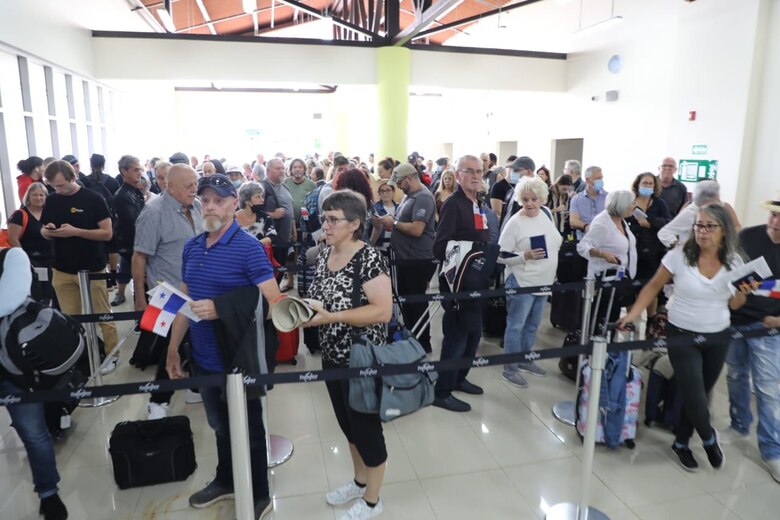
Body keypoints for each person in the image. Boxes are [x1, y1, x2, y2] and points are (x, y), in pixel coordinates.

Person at [165, 173, 281, 520]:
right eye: (206, 200)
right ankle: (227, 479)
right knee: (219, 425)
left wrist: (223, 308)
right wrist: (173, 349)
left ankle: (259, 493)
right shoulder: (192, 247)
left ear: (234, 204)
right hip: (203, 356)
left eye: (219, 200)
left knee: (250, 429)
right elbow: (185, 301)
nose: (211, 206)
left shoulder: (248, 248)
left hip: (238, 358)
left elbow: (273, 303)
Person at [619, 203, 749, 473]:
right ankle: (709, 438)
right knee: (693, 392)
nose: (702, 232)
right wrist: (633, 313)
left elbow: (735, 304)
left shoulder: (735, 261)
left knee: (699, 394)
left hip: (718, 334)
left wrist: (744, 290)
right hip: (682, 333)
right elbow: (653, 286)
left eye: (710, 226)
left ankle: (681, 442)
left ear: (724, 231)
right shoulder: (679, 255)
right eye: (698, 225)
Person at [304, 189, 392, 520]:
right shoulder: (325, 254)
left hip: (362, 359)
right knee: (347, 425)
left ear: (354, 224)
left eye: (332, 219)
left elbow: (382, 311)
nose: (325, 225)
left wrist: (333, 317)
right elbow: (319, 297)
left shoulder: (369, 258)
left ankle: (372, 500)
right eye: (323, 218)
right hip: (332, 355)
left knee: (367, 430)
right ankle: (359, 481)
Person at [0, 247, 68, 520]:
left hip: (14, 368)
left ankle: (48, 493)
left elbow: (8, 300)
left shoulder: (12, 256)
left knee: (33, 432)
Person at [133, 164, 203, 419]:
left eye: (195, 183)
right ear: (170, 187)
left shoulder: (197, 206)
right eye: (188, 185)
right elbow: (139, 256)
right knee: (169, 346)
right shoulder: (152, 213)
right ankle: (158, 402)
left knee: (195, 341)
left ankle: (194, 387)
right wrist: (139, 298)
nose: (194, 189)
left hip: (196, 290)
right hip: (165, 294)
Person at [40, 160, 119, 373]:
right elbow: (44, 230)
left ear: (73, 177)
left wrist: (76, 231)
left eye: (61, 185)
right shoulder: (52, 200)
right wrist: (47, 231)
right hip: (61, 268)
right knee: (71, 319)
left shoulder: (94, 199)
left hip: (91, 268)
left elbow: (107, 233)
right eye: (53, 186)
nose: (57, 189)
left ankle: (112, 354)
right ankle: (80, 357)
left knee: (102, 314)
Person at [725, 192, 780, 483]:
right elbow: (731, 274)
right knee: (735, 375)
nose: (776, 222)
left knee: (768, 390)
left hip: (769, 328)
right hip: (736, 320)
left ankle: (772, 451)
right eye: (774, 215)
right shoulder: (747, 237)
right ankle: (739, 424)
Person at [432, 155, 492, 412]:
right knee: (456, 337)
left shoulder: (478, 202)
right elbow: (440, 247)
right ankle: (442, 391)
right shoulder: (453, 204)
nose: (476, 176)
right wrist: (471, 251)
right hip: (457, 283)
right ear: (457, 175)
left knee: (474, 334)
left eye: (479, 171)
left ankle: (458, 378)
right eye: (469, 171)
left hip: (477, 280)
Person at [497, 177, 562, 388]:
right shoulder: (515, 222)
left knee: (533, 325)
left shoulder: (546, 214)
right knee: (516, 326)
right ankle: (510, 368)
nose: (530, 203)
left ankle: (525, 359)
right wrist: (524, 255)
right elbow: (500, 255)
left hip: (544, 281)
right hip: (521, 281)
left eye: (534, 199)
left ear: (542, 198)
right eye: (525, 199)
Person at [380, 163, 437, 353]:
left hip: (416, 259)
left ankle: (423, 342)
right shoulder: (409, 196)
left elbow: (417, 229)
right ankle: (412, 338)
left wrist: (394, 223)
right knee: (408, 302)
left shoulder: (423, 198)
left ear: (410, 178)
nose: (397, 186)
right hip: (405, 258)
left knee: (417, 302)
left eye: (399, 182)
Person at [577, 190, 638, 329]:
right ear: (622, 205)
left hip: (619, 280)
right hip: (604, 282)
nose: (635, 206)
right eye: (632, 203)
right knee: (600, 322)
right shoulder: (602, 224)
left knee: (611, 321)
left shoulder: (621, 221)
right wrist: (603, 254)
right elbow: (582, 247)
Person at [626, 172, 671, 316]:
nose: (648, 186)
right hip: (632, 249)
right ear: (638, 185)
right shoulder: (630, 201)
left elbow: (667, 222)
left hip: (653, 250)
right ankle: (631, 320)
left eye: (651, 183)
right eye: (645, 183)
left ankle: (651, 319)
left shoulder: (659, 203)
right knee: (630, 288)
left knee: (651, 286)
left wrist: (650, 223)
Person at [658, 180, 742, 248]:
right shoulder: (690, 212)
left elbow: (737, 227)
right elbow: (664, 233)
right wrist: (680, 246)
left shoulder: (722, 207)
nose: (718, 202)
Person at [111, 155, 146, 307]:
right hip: (131, 244)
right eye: (135, 170)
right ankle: (123, 295)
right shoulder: (122, 196)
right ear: (124, 171)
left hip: (137, 243)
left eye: (140, 169)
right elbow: (135, 223)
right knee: (135, 279)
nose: (139, 173)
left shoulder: (135, 191)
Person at [7, 182, 51, 270]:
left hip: (50, 261)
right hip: (30, 261)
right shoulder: (20, 215)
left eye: (41, 195)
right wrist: (24, 259)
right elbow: (13, 239)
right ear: (28, 197)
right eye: (34, 195)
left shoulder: (50, 212)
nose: (38, 198)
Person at [569, 166, 607, 240]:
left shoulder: (608, 198)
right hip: (584, 240)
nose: (601, 181)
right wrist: (585, 226)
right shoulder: (577, 199)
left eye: (601, 178)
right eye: (598, 179)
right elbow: (573, 221)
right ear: (587, 180)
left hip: (604, 239)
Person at [366, 181, 398, 251]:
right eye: (382, 191)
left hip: (396, 246)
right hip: (379, 246)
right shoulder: (374, 208)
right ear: (379, 193)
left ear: (393, 192)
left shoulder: (399, 207)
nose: (385, 193)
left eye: (388, 190)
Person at [284, 157, 316, 224]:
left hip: (306, 223)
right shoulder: (285, 183)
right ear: (291, 170)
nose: (297, 169)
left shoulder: (312, 185)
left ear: (304, 169)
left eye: (300, 167)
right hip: (288, 222)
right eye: (295, 167)